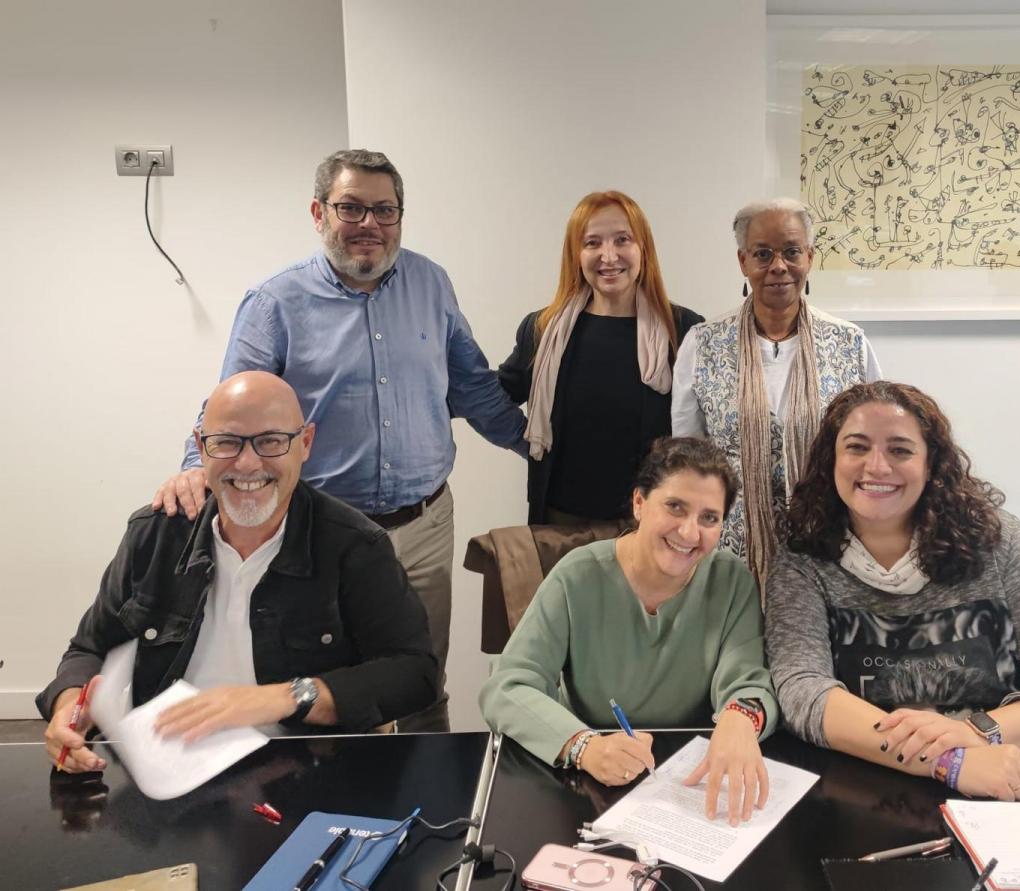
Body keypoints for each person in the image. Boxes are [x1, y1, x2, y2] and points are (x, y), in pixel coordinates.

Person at [151, 149, 528, 731]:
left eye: (384, 210)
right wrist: (194, 468)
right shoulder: (275, 302)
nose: (369, 225)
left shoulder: (431, 282)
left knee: (421, 677)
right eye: (351, 208)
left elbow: (474, 387)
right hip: (324, 530)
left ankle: (437, 804)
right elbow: (233, 402)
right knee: (337, 689)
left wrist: (537, 446)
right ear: (319, 212)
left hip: (425, 524)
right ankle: (344, 812)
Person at [39, 372, 438, 772]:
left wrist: (287, 697)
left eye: (271, 441)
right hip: (164, 777)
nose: (248, 463)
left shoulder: (354, 547)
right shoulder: (154, 535)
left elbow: (413, 673)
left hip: (305, 775)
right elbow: (88, 648)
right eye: (227, 442)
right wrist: (69, 709)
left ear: (305, 444)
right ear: (201, 447)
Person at [766, 381, 1020, 801]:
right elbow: (802, 691)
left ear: (931, 465)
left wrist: (976, 733)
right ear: (830, 461)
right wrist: (947, 762)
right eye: (856, 447)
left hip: (1001, 779)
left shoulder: (1000, 543)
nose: (876, 466)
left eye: (900, 450)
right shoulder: (803, 558)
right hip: (866, 793)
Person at [480, 437, 778, 827]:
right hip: (585, 782)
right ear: (639, 503)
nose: (690, 533)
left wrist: (740, 719)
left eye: (710, 518)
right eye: (675, 507)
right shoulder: (577, 575)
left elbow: (748, 681)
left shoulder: (731, 580)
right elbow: (507, 687)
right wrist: (582, 747)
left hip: (690, 785)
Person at [672, 198, 881, 584]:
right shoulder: (703, 344)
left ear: (810, 257)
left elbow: (872, 447)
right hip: (731, 549)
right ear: (743, 262)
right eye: (763, 254)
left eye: (791, 252)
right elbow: (688, 455)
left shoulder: (849, 344)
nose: (778, 266)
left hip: (828, 543)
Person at [498, 191, 703, 525]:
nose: (609, 256)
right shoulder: (542, 330)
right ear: (575, 254)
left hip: (652, 525)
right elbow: (496, 396)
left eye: (622, 240)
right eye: (592, 243)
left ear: (643, 249)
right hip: (560, 524)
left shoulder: (683, 330)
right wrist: (526, 441)